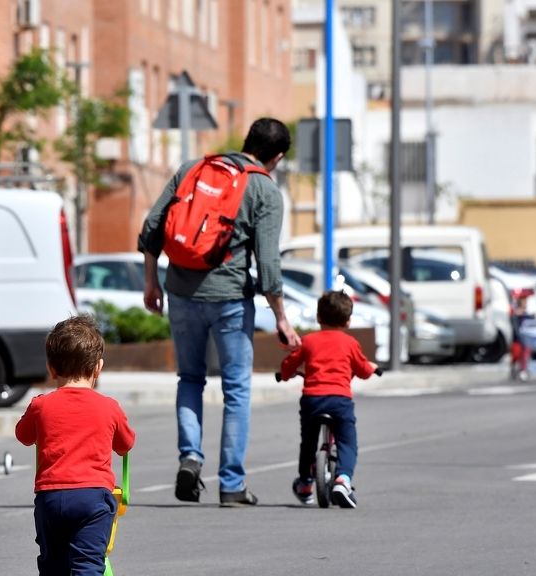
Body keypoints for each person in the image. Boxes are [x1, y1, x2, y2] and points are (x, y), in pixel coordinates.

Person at [139, 117, 301, 507]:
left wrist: (151, 282)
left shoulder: (192, 169)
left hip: (180, 294)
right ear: (276, 157)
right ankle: (231, 483)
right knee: (236, 389)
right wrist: (280, 316)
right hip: (229, 300)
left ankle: (190, 457)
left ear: (246, 140)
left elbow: (151, 227)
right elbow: (267, 263)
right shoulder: (263, 189)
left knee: (190, 379)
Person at [15, 315, 136, 576]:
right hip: (93, 498)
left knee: (53, 566)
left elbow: (23, 436)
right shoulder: (109, 406)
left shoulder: (40, 405)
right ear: (98, 368)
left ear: (51, 368)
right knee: (88, 565)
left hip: (50, 497)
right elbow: (126, 444)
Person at [279, 291, 378, 509]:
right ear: (348, 320)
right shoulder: (350, 343)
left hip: (313, 400)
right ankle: (343, 480)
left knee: (308, 443)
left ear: (318, 317)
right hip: (340, 401)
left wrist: (284, 374)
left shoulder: (308, 341)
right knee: (347, 441)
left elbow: (289, 365)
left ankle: (305, 483)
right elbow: (362, 370)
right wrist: (371, 368)